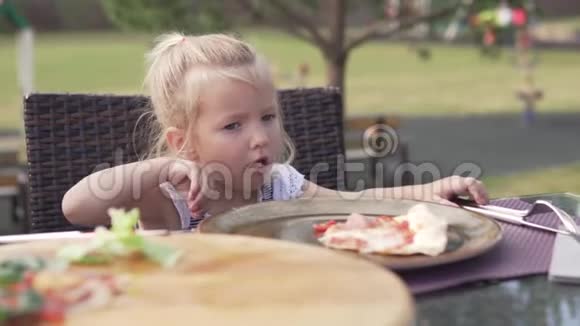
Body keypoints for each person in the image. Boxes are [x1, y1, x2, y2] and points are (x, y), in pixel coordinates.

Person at [62, 32, 489, 230]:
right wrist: (160, 168)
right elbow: (75, 207)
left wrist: (434, 190)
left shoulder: (279, 185)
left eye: (266, 116)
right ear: (184, 143)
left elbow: (356, 202)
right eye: (233, 125)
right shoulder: (165, 200)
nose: (259, 136)